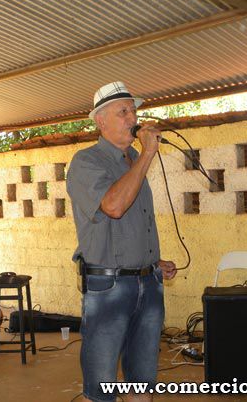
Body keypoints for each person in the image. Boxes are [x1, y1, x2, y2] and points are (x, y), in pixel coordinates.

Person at [67, 81, 177, 402]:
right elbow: (114, 207)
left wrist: (152, 262)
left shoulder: (134, 160)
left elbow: (131, 223)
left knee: (142, 380)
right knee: (102, 385)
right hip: (109, 287)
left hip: (148, 283)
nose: (133, 118)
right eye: (123, 112)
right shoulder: (86, 162)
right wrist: (148, 154)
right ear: (101, 121)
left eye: (134, 111)